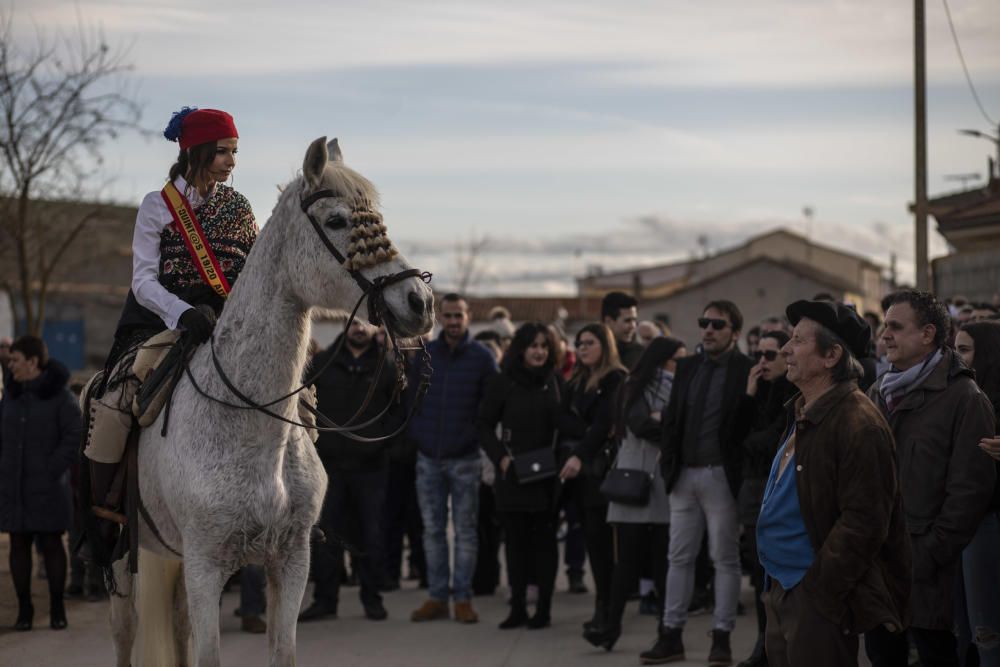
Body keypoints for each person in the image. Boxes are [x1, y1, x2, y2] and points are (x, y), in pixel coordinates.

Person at [83, 107, 256, 540]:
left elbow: (254, 271)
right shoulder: (157, 206)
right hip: (163, 318)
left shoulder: (238, 207)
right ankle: (104, 514)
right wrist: (182, 312)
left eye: (235, 151)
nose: (232, 161)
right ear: (195, 151)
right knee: (117, 397)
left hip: (227, 322)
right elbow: (142, 280)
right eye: (222, 152)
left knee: (297, 390)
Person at [754, 300, 909, 666]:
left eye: (797, 341)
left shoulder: (858, 422)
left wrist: (821, 591)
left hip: (814, 595)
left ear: (831, 355)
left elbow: (864, 522)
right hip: (782, 586)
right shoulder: (803, 410)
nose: (786, 350)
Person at [866, 290, 996, 667]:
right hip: (879, 565)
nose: (885, 335)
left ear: (927, 334)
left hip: (931, 573)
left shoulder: (965, 398)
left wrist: (926, 555)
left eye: (895, 326)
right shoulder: (877, 392)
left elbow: (969, 493)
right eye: (884, 326)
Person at [641, 300, 754, 666]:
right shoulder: (688, 366)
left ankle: (721, 638)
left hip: (721, 474)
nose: (707, 330)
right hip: (684, 475)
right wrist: (669, 463)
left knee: (724, 558)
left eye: (717, 325)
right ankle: (670, 635)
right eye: (704, 322)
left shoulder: (745, 369)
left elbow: (745, 427)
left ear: (734, 332)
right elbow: (672, 418)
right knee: (678, 557)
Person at [584, 337, 687, 651]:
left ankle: (665, 632)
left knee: (661, 562)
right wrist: (672, 427)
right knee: (627, 562)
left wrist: (667, 422)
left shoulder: (677, 388)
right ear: (661, 360)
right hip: (635, 480)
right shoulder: (634, 385)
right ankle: (610, 626)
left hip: (661, 482)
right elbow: (642, 425)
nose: (681, 366)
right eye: (677, 360)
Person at [299, 319, 401, 623]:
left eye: (366, 325)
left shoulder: (387, 367)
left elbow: (396, 413)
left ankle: (372, 598)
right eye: (354, 323)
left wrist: (382, 445)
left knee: (371, 535)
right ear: (345, 324)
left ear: (374, 329)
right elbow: (304, 404)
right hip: (329, 467)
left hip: (371, 469)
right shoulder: (322, 362)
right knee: (326, 537)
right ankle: (325, 601)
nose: (360, 329)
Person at [409, 293, 498, 624]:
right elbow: (412, 399)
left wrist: (472, 437)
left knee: (465, 531)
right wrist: (418, 434)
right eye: (447, 315)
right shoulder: (427, 355)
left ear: (468, 317)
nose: (453, 321)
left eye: (458, 315)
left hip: (465, 459)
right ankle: (436, 597)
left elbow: (490, 407)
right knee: (432, 530)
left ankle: (462, 597)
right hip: (428, 457)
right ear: (439, 318)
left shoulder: (483, 358)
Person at [478, 322, 564, 630]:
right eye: (533, 346)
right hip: (512, 475)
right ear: (522, 349)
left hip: (547, 478)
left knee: (544, 546)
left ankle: (543, 609)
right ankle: (517, 608)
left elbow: (566, 427)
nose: (539, 351)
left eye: (544, 346)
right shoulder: (504, 382)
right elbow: (484, 425)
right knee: (515, 547)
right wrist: (500, 458)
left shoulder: (555, 382)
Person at [0, 336, 81, 630]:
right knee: (18, 545)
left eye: (15, 360)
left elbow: (74, 435)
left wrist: (51, 469)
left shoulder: (61, 397)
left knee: (51, 543)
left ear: (32, 362)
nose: (11, 365)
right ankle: (25, 611)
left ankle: (58, 608)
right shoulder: (10, 395)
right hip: (13, 486)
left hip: (48, 486)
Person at [558, 324, 627, 636]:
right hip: (584, 476)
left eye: (589, 343)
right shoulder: (578, 380)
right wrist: (589, 435)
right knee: (593, 545)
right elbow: (563, 419)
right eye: (579, 343)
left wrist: (581, 450)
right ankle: (602, 608)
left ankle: (609, 614)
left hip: (605, 472)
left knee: (606, 547)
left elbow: (606, 423)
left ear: (605, 345)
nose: (582, 348)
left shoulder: (616, 378)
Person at [734, 330, 795, 667]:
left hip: (778, 489)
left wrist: (749, 438)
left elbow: (768, 441)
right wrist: (747, 395)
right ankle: (764, 644)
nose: (762, 361)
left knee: (776, 573)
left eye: (770, 355)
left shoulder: (793, 395)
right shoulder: (756, 394)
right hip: (752, 487)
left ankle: (776, 646)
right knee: (758, 571)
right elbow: (732, 436)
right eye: (758, 354)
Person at [954, 321, 1000, 667]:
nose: (956, 357)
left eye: (964, 349)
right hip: (965, 521)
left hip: (988, 523)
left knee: (988, 631)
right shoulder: (963, 395)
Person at [602, 291, 643, 370]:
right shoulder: (593, 352)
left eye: (634, 320)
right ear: (608, 321)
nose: (633, 326)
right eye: (627, 321)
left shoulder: (640, 354)